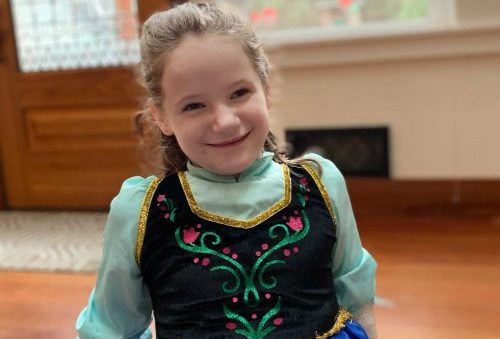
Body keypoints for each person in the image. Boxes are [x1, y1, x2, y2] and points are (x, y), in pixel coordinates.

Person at [76, 3, 377, 338]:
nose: (225, 121)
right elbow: (110, 329)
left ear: (265, 89)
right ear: (161, 117)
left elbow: (357, 306)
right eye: (194, 105)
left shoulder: (321, 185)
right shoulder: (140, 213)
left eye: (239, 93)